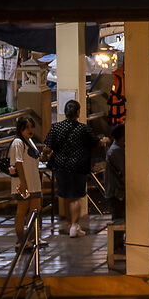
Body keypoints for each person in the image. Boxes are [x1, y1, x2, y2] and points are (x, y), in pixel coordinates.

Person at [43, 99, 99, 237]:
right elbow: (95, 142)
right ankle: (74, 226)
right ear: (78, 112)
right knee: (76, 197)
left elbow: (47, 147)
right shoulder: (83, 128)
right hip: (79, 166)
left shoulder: (56, 128)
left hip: (60, 166)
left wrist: (45, 155)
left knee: (66, 197)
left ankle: (69, 224)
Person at [4, 116, 46, 242]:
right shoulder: (18, 143)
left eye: (32, 126)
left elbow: (35, 159)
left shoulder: (30, 141)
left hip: (34, 183)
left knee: (35, 210)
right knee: (22, 210)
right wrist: (23, 183)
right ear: (20, 129)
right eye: (26, 127)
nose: (30, 130)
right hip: (24, 183)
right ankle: (21, 239)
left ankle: (32, 237)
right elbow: (18, 163)